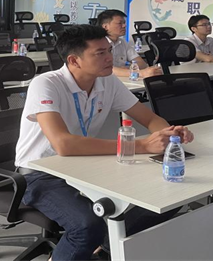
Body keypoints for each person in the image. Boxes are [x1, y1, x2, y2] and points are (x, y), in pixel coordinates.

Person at [15, 25, 194, 261]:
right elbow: (63, 145)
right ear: (74, 60)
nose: (110, 58)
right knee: (87, 226)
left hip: (86, 164)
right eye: (100, 53)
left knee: (165, 195)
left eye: (109, 50)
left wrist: (170, 135)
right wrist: (141, 146)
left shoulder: (107, 81)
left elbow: (150, 119)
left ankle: (104, 249)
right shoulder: (46, 84)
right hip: (40, 173)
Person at [97, 9, 162, 78]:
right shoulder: (98, 44)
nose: (124, 25)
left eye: (124, 23)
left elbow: (141, 63)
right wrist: (139, 73)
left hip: (121, 79)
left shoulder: (122, 42)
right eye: (120, 23)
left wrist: (129, 69)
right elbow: (104, 69)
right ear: (105, 27)